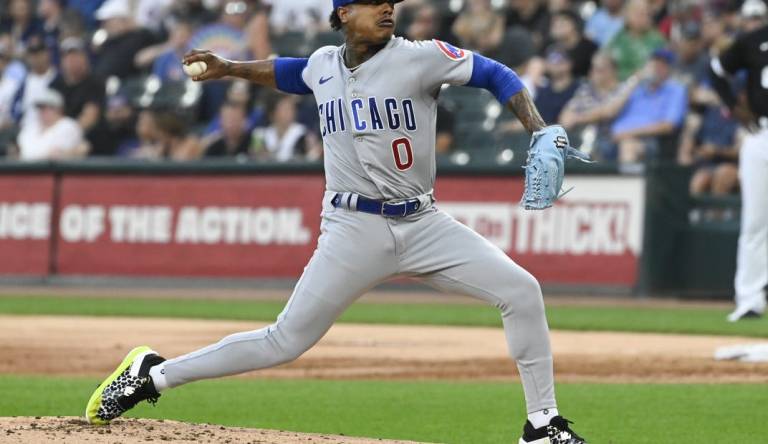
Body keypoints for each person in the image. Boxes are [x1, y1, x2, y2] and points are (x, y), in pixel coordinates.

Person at [84, 1, 587, 443]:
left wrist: (537, 127)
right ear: (344, 13)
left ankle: (542, 425)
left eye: (389, 2)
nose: (387, 9)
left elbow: (497, 74)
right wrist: (230, 67)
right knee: (284, 341)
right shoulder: (323, 65)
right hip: (353, 228)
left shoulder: (420, 57)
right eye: (372, 3)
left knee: (521, 291)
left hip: (424, 223)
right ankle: (152, 376)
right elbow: (288, 70)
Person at [709, 0, 768, 321]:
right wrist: (733, 106)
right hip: (763, 135)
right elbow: (716, 70)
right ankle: (749, 300)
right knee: (754, 223)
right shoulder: (755, 38)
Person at [610, 49, 687, 163]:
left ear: (669, 69)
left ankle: (628, 181)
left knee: (628, 147)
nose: (656, 68)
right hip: (614, 137)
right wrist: (634, 80)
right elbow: (611, 111)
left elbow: (668, 126)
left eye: (662, 65)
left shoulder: (675, 90)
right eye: (654, 63)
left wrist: (628, 133)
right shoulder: (636, 87)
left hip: (649, 140)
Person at [17, 88, 86, 160]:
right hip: (24, 169)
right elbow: (20, 151)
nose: (42, 112)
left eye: (46, 108)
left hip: (53, 170)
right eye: (40, 108)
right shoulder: (31, 127)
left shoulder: (68, 125)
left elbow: (61, 153)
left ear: (59, 109)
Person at [605, 0, 666, 80]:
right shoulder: (617, 37)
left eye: (645, 14)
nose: (642, 17)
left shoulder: (657, 39)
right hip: (617, 85)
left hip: (645, 86)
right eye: (638, 13)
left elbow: (660, 69)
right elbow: (605, 61)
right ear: (626, 14)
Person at [251, 95, 320, 161]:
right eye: (284, 108)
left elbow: (313, 155)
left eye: (291, 108)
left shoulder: (303, 134)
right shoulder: (261, 134)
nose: (289, 112)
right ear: (272, 113)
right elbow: (253, 157)